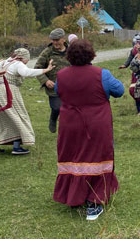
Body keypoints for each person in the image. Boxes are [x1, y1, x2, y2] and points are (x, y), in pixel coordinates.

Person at [53, 39, 124, 220]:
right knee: (97, 158)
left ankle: (74, 197)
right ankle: (94, 200)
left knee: (74, 157)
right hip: (96, 124)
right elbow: (120, 90)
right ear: (91, 54)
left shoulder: (61, 75)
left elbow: (57, 90)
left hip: (70, 125)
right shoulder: (102, 74)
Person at [0, 48, 55, 155]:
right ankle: (16, 147)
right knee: (17, 116)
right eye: (27, 59)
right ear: (24, 57)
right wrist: (46, 70)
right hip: (7, 92)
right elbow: (27, 72)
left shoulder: (5, 62)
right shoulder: (18, 64)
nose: (26, 62)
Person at [35, 28, 70, 133]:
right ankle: (53, 119)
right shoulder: (47, 52)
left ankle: (67, 128)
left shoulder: (71, 51)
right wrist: (45, 81)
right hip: (53, 86)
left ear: (63, 39)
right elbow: (37, 68)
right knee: (57, 108)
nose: (55, 42)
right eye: (53, 40)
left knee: (69, 110)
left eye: (57, 40)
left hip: (70, 86)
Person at [118, 34, 140, 115]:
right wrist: (125, 65)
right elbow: (130, 58)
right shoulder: (133, 50)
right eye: (136, 43)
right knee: (133, 90)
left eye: (139, 43)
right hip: (135, 73)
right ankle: (139, 109)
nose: (137, 45)